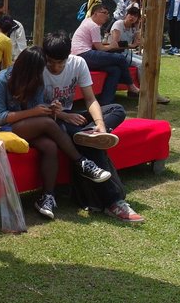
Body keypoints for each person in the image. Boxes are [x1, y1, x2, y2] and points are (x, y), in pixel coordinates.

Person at [0, 47, 113, 220]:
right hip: (3, 130)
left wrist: (52, 109)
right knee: (47, 123)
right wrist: (35, 112)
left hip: (28, 126)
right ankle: (81, 162)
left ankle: (47, 197)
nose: (40, 76)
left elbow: (37, 107)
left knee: (50, 146)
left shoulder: (36, 81)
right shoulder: (1, 80)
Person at [41, 31, 145, 223]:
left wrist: (100, 126)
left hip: (73, 118)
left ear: (68, 56)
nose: (56, 67)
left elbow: (90, 99)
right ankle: (114, 201)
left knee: (116, 109)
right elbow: (32, 107)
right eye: (51, 62)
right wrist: (63, 114)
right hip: (51, 120)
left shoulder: (78, 63)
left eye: (60, 63)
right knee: (91, 145)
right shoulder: (38, 67)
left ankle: (92, 134)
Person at [71, 2, 138, 104]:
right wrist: (111, 46)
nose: (107, 16)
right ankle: (130, 85)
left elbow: (96, 46)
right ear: (95, 13)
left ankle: (106, 102)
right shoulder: (94, 26)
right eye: (104, 13)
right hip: (84, 54)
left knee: (115, 70)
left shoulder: (86, 21)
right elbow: (100, 48)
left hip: (80, 56)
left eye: (108, 13)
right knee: (120, 58)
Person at [108, 6, 170, 104]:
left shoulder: (134, 27)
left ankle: (153, 91)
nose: (132, 17)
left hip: (126, 52)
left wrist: (140, 33)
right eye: (130, 14)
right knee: (142, 64)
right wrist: (132, 45)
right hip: (117, 53)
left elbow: (140, 41)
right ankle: (146, 92)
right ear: (126, 15)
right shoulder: (119, 24)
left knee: (149, 61)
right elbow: (115, 43)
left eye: (135, 16)